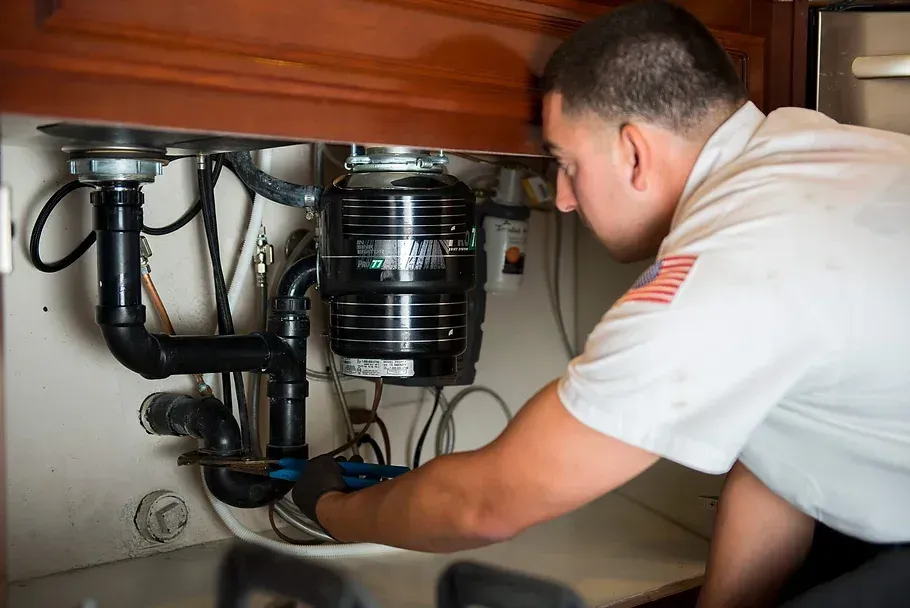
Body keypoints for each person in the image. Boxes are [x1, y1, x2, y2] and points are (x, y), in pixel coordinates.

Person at [292, 1, 910, 605]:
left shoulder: (725, 270)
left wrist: (332, 509)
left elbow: (484, 504)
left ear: (633, 152)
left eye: (567, 163)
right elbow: (784, 467)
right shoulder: (816, 148)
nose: (562, 198)